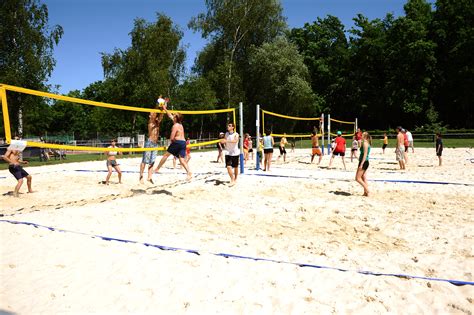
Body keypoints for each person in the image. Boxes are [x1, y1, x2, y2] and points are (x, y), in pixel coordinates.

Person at [153, 103, 192, 181]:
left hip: (177, 142)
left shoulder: (175, 126)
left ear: (176, 118)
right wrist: (164, 108)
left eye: (174, 115)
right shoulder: (180, 125)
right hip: (183, 143)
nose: (173, 115)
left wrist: (172, 143)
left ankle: (157, 169)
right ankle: (189, 172)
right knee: (181, 160)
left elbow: (171, 137)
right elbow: (170, 115)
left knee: (166, 155)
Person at [139, 100, 165, 183]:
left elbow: (161, 116)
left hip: (155, 144)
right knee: (144, 161)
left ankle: (149, 177)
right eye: (152, 114)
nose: (154, 115)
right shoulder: (150, 123)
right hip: (149, 142)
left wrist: (163, 107)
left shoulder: (157, 123)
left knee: (152, 161)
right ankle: (141, 176)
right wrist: (158, 106)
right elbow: (154, 114)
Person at [355, 132, 372, 197]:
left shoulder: (365, 143)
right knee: (363, 177)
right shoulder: (366, 142)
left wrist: (361, 164)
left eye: (362, 135)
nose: (361, 135)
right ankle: (366, 193)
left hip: (364, 162)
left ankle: (367, 190)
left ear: (365, 136)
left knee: (357, 178)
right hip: (365, 162)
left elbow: (365, 154)